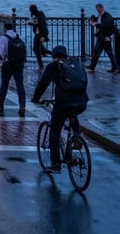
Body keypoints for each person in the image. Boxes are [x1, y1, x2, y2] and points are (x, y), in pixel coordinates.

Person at [31, 45, 89, 174]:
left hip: (63, 103)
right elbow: (84, 81)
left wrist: (35, 98)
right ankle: (77, 136)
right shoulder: (76, 65)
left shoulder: (53, 66)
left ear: (54, 56)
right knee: (73, 113)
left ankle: (55, 164)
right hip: (81, 101)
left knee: (55, 131)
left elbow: (43, 84)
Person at [0, 22, 27, 116]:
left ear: (5, 28)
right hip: (19, 64)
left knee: (4, 83)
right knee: (20, 85)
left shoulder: (3, 38)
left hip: (8, 64)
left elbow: (0, 53)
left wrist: (0, 61)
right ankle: (22, 106)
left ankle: (0, 102)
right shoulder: (18, 37)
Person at [87, 3, 118, 73]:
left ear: (101, 8)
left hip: (105, 37)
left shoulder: (107, 16)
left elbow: (105, 25)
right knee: (97, 52)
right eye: (96, 10)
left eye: (98, 9)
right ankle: (92, 67)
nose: (97, 11)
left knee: (107, 53)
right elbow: (99, 21)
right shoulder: (101, 15)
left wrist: (95, 24)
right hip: (101, 37)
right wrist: (92, 19)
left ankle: (115, 68)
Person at [27, 4, 52, 68]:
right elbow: (36, 23)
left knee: (36, 49)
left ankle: (41, 65)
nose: (30, 12)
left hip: (40, 35)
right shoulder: (37, 15)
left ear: (33, 10)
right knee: (41, 50)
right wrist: (31, 21)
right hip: (37, 34)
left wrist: (43, 36)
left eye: (31, 11)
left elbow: (42, 25)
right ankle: (56, 55)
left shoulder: (40, 15)